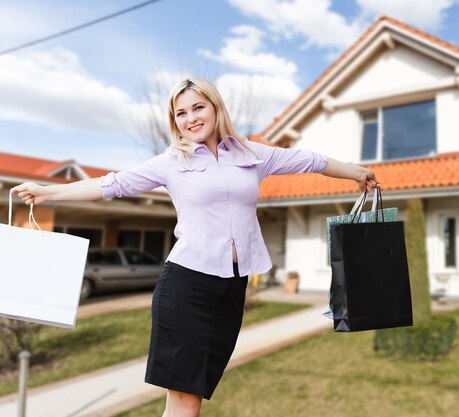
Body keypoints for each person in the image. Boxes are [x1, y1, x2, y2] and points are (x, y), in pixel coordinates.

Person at [11, 78, 378, 417]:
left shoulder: (251, 155)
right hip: (186, 286)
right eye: (181, 113)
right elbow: (114, 184)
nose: (190, 119)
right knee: (185, 400)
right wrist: (50, 191)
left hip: (232, 288)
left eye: (197, 107)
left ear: (215, 107)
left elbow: (309, 160)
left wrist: (356, 172)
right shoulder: (172, 162)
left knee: (188, 398)